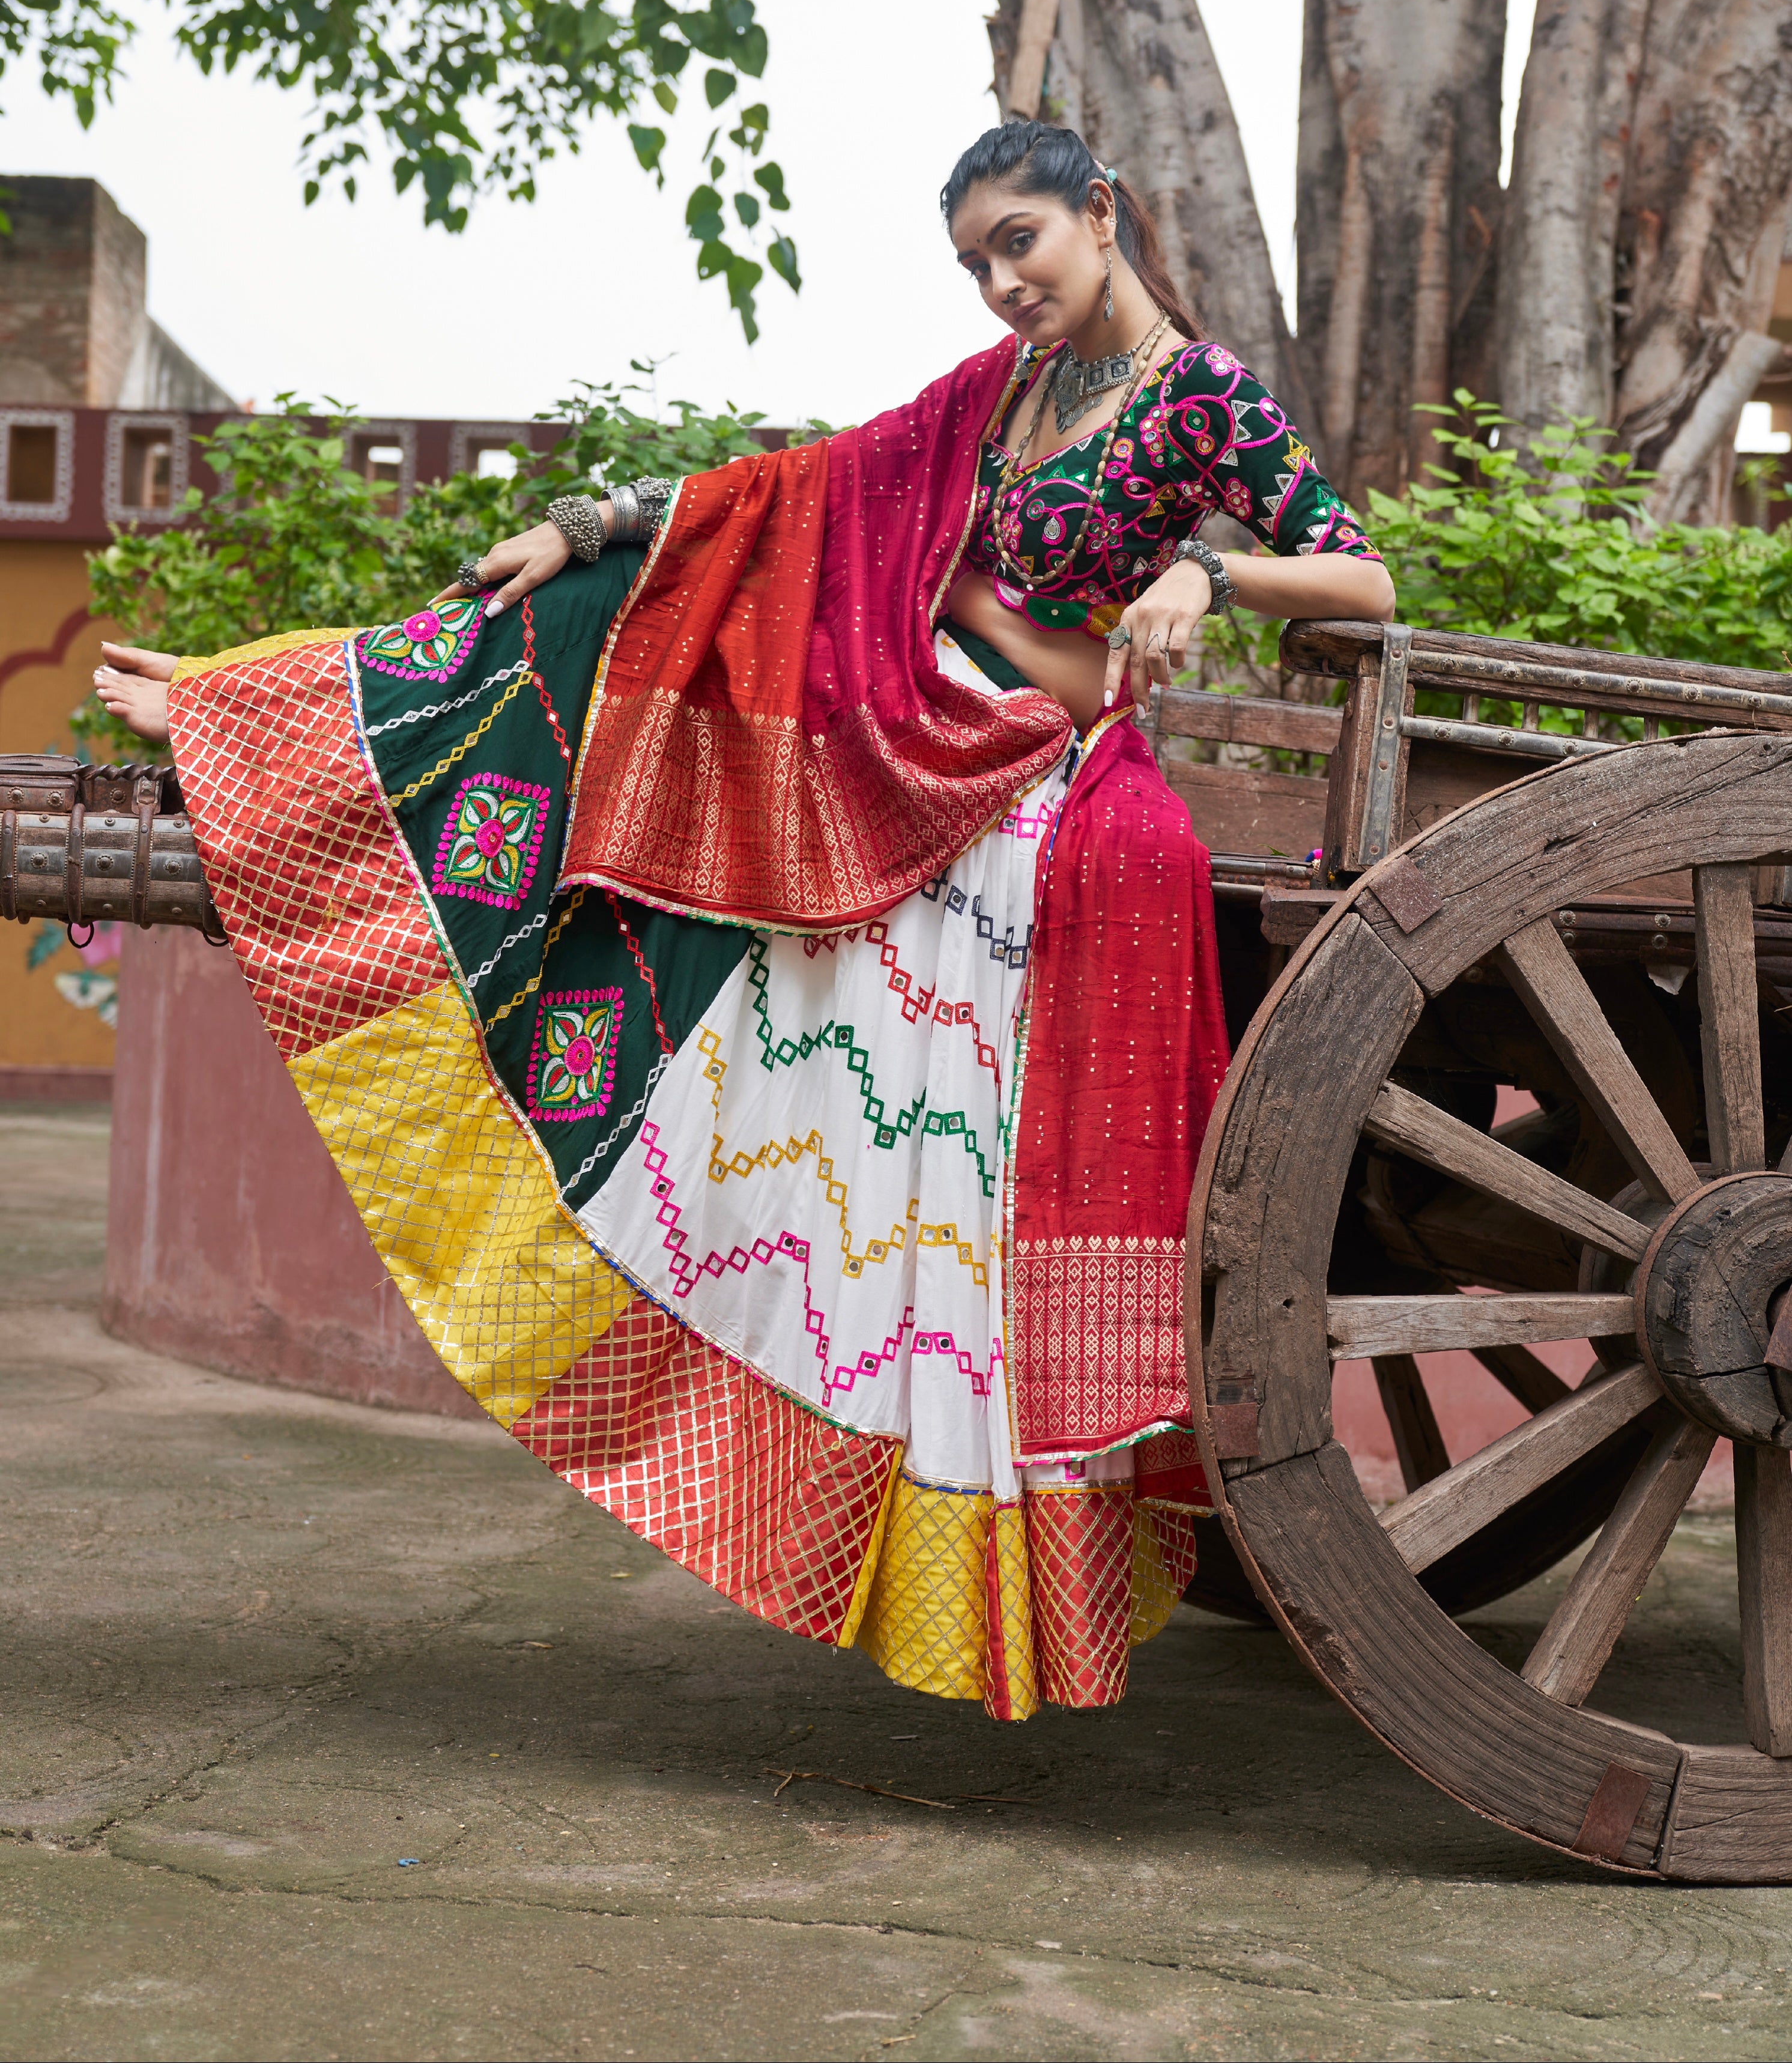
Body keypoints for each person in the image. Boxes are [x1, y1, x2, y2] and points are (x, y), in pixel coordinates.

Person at [95, 120, 1393, 1721]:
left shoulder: (1206, 399)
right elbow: (803, 485)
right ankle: (272, 719)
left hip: (1032, 772)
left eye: (1022, 242)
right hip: (915, 723)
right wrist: (591, 519)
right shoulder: (999, 396)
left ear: (1102, 214)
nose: (1002, 283)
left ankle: (265, 725)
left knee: (684, 731)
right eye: (977, 261)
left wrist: (1212, 572)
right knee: (599, 610)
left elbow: (1368, 581)